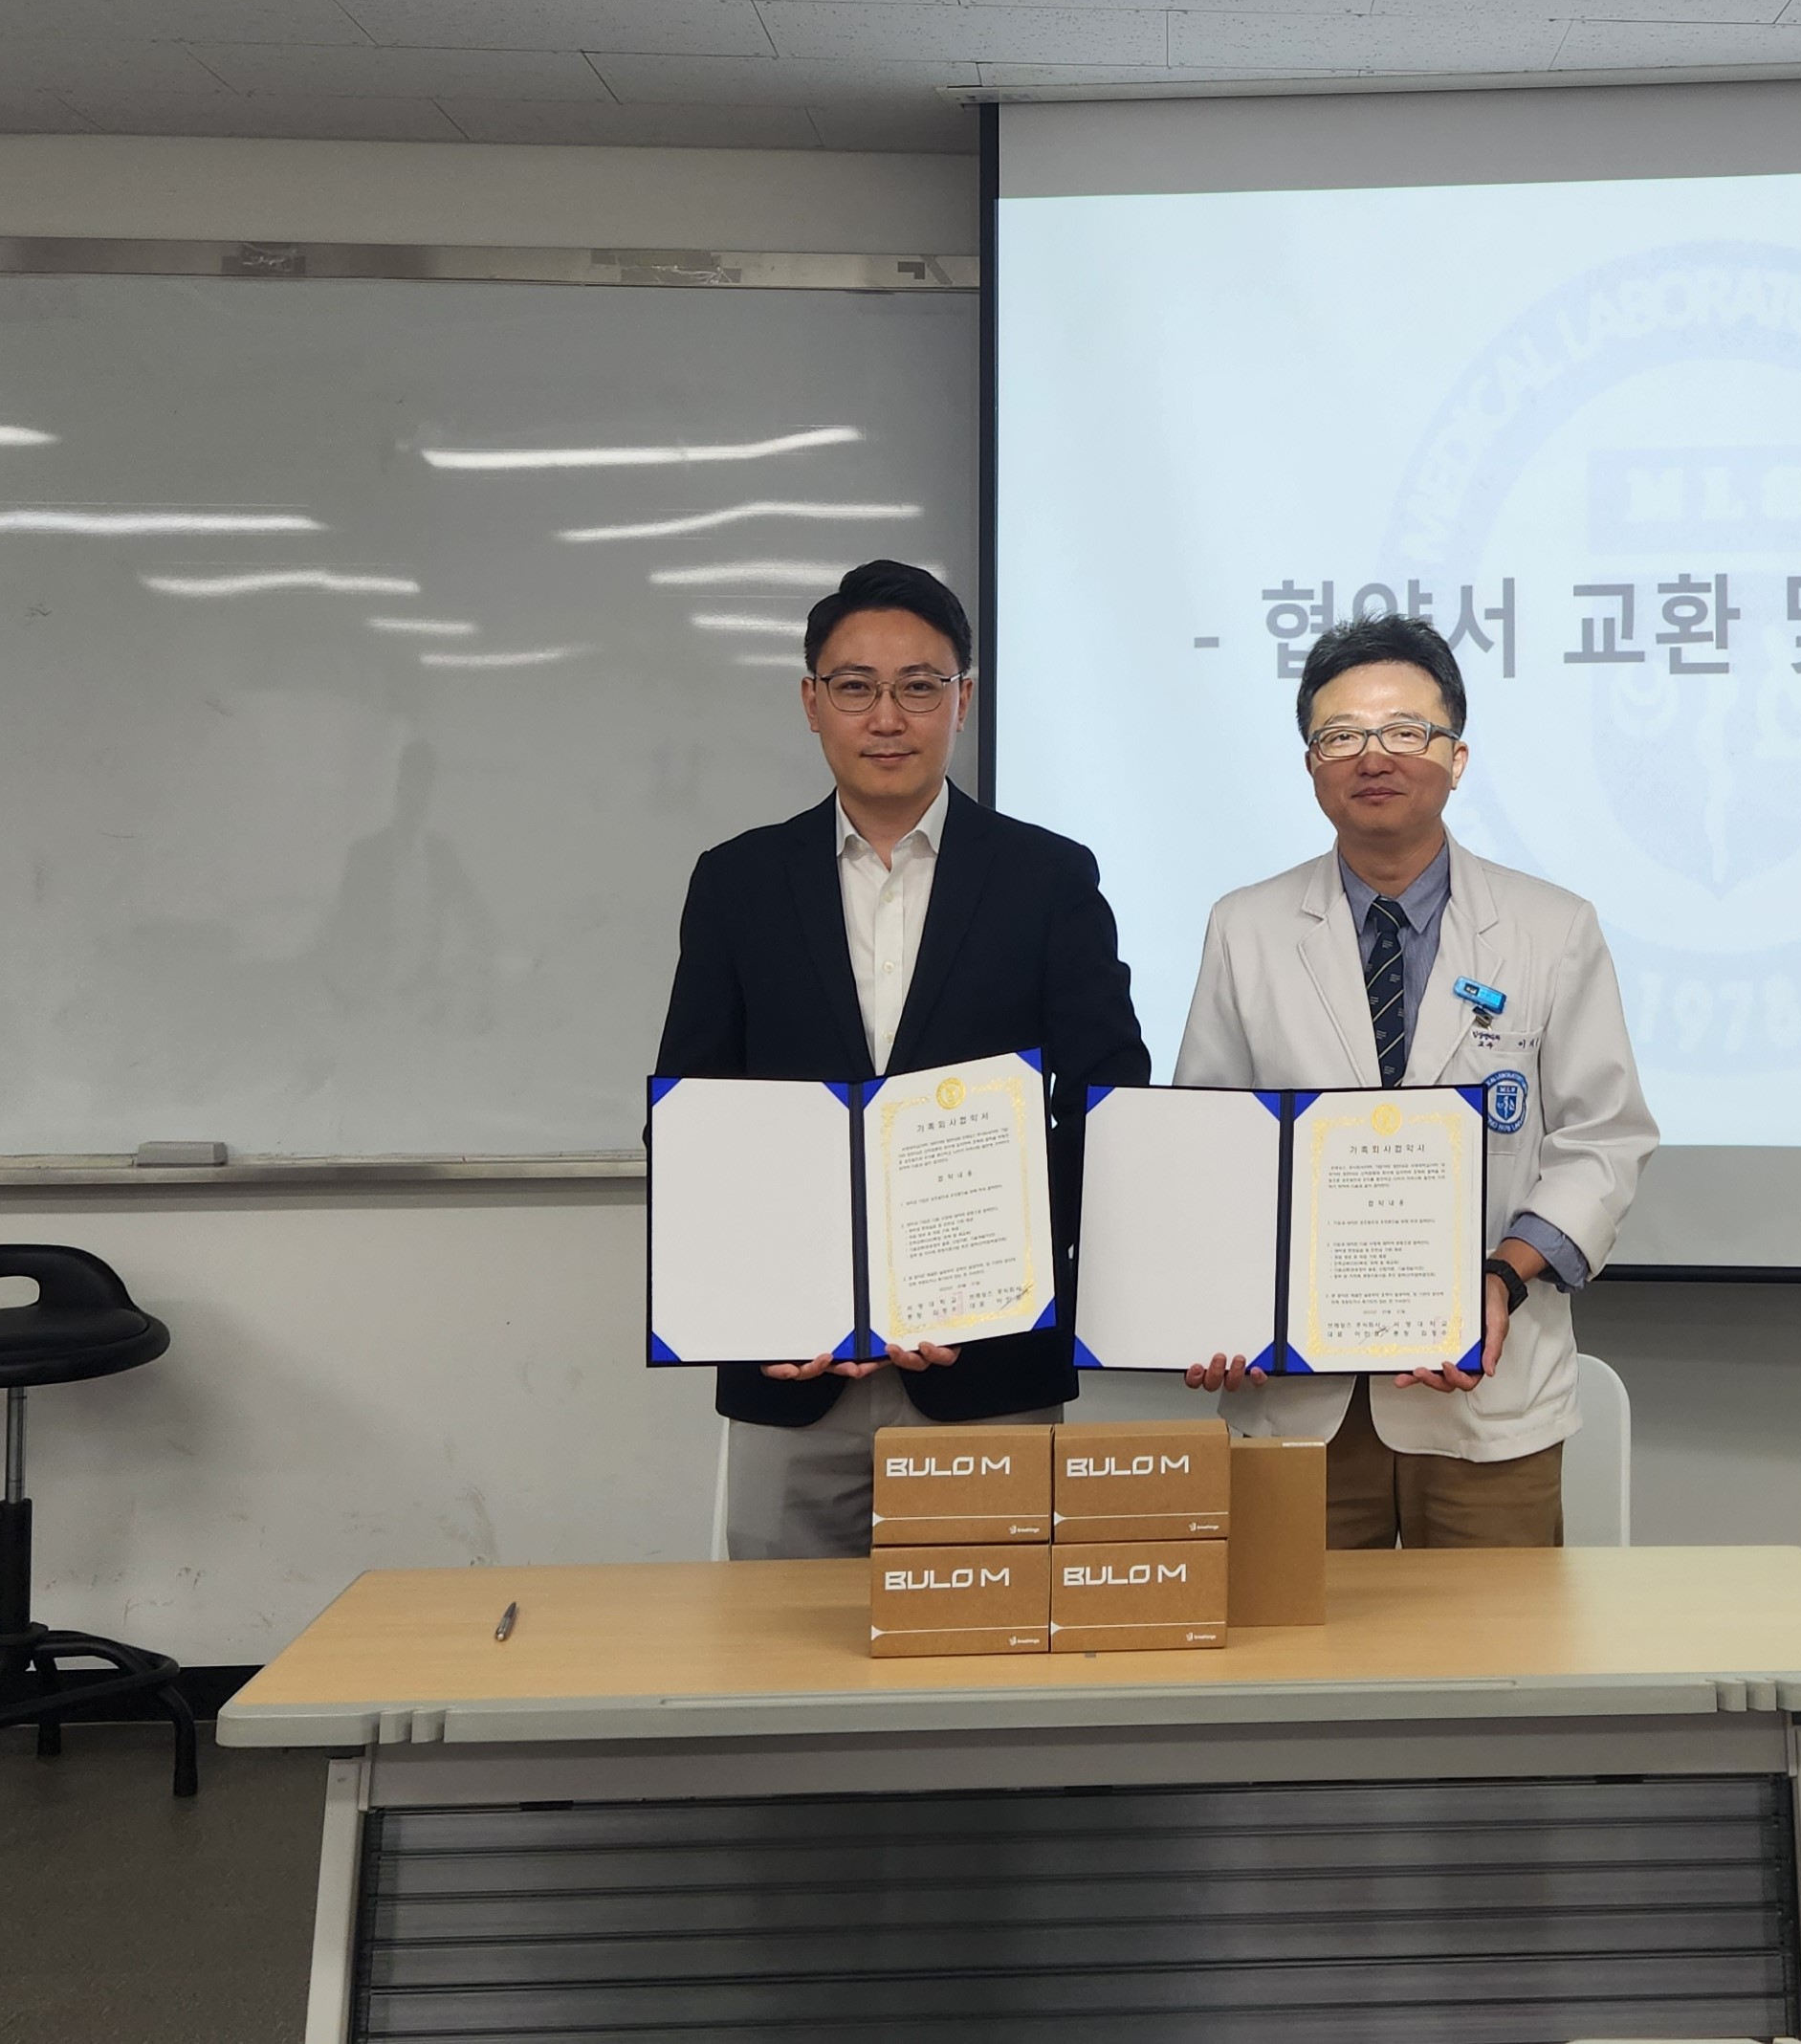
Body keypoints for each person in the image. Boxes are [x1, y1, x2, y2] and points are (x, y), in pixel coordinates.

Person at [656, 559, 1146, 1557]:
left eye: (919, 686)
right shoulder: (737, 882)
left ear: (961, 699)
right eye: (856, 687)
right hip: (791, 1366)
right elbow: (696, 1116)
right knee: (775, 1640)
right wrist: (762, 1303)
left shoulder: (1046, 877)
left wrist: (1005, 1274)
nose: (887, 717)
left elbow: (1106, 1103)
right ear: (812, 703)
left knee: (989, 1637)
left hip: (988, 1363)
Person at [1177, 614, 1656, 1547]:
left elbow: (1602, 1139)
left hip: (1482, 1390)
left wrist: (1500, 1278)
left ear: (1456, 757)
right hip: (1298, 1398)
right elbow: (1207, 1146)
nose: (1373, 756)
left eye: (1406, 730)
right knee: (1292, 1638)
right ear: (1310, 764)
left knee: (1495, 1640)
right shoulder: (1245, 928)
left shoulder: (1551, 928)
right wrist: (1212, 1303)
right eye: (1341, 735)